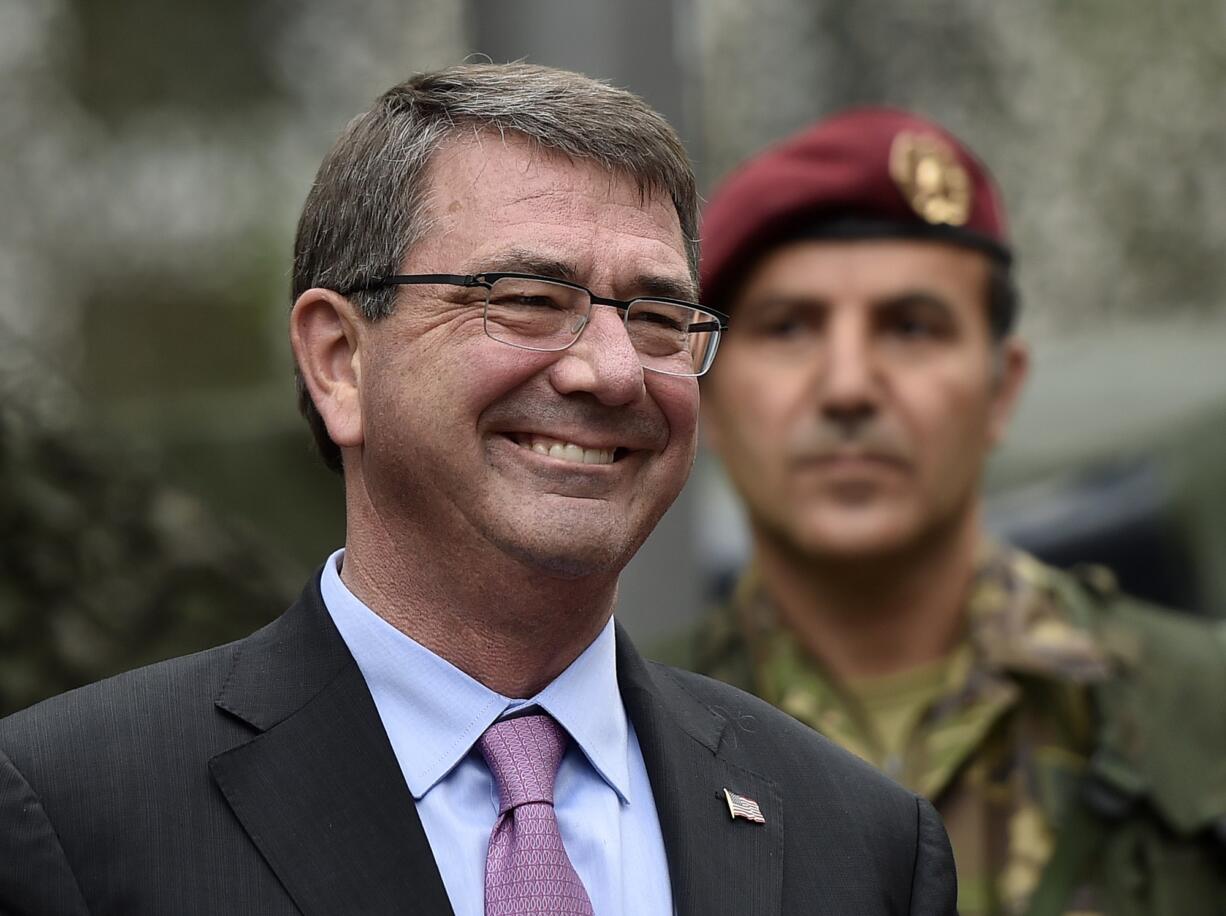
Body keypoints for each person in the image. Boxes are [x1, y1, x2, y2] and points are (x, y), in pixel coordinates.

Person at [0, 66, 956, 915]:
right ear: (339, 361)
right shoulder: (72, 810)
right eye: (530, 301)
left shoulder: (860, 843)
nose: (614, 372)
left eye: (660, 316)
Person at [686, 107, 1226, 915]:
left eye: (911, 327)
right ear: (708, 396)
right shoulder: (609, 737)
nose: (847, 388)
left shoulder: (1202, 711)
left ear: (1001, 388)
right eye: (789, 327)